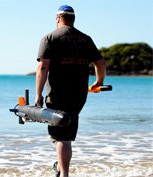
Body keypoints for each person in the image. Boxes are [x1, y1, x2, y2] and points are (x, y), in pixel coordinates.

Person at [35, 5, 106, 177]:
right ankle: (60, 167)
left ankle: (64, 174)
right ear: (73, 19)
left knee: (62, 137)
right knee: (66, 133)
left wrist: (38, 96)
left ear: (58, 18)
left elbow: (43, 67)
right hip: (79, 95)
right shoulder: (86, 39)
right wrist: (99, 82)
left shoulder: (50, 38)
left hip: (57, 94)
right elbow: (100, 63)